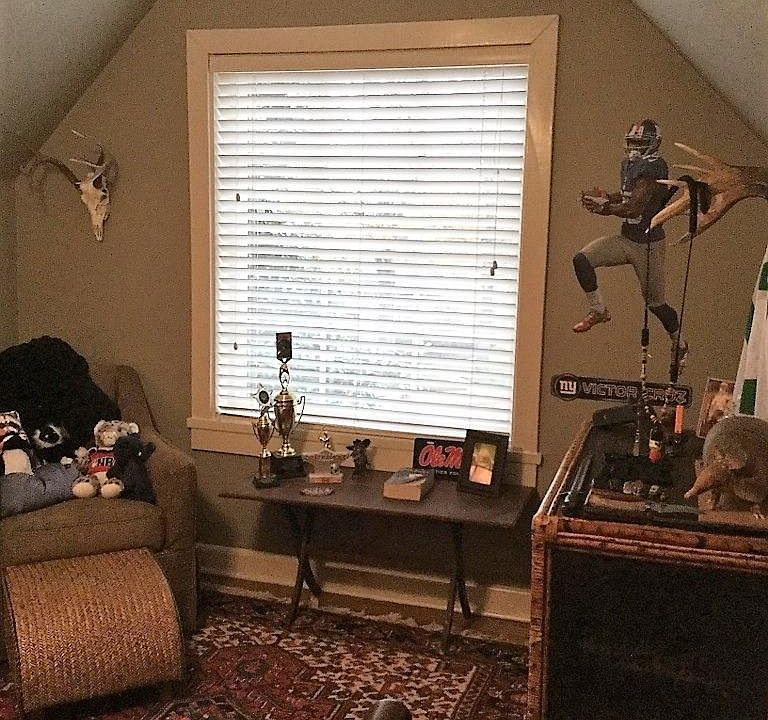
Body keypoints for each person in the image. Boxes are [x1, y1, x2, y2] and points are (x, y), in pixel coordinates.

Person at [573, 119, 688, 378]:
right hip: (626, 239)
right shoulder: (629, 164)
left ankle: (678, 341)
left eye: (640, 143)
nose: (635, 147)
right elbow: (628, 196)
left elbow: (635, 208)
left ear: (653, 144)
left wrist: (606, 208)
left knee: (656, 304)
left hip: (649, 246)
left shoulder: (654, 167)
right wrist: (608, 197)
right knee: (582, 260)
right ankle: (598, 310)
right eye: (633, 142)